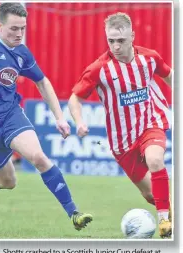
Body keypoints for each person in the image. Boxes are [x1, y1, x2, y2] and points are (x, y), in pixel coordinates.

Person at [0, 2, 92, 231]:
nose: (19, 34)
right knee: (9, 182)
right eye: (13, 28)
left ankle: (74, 213)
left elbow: (42, 80)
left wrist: (59, 117)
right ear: (0, 26)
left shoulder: (21, 51)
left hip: (11, 116)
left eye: (22, 28)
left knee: (39, 157)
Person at [68, 12, 172, 238]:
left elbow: (171, 77)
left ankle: (165, 221)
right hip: (122, 142)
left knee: (155, 159)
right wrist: (79, 121)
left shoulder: (149, 58)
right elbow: (74, 98)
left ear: (132, 36)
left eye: (121, 40)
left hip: (150, 123)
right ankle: (169, 214)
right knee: (152, 195)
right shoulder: (99, 68)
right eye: (111, 41)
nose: (115, 46)